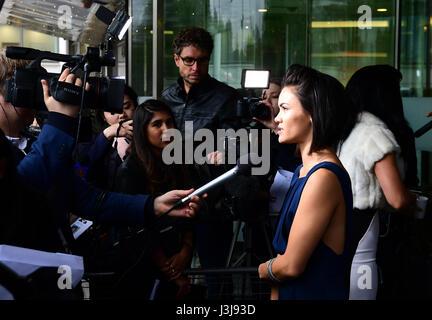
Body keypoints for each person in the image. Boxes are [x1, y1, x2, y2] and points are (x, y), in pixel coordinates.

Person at [258, 64, 353, 300]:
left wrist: (263, 269)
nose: (277, 118)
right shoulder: (304, 170)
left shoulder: (323, 177)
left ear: (312, 115)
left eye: (284, 108)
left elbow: (291, 266)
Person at [161, 26, 241, 299]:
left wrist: (224, 150)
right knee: (171, 275)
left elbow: (237, 144)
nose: (196, 67)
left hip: (212, 200)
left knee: (216, 277)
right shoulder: (166, 97)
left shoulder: (226, 97)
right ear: (176, 59)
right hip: (172, 197)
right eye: (189, 60)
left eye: (202, 60)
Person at [338, 65, 419, 300]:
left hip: (347, 226)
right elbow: (397, 199)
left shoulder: (349, 130)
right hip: (371, 231)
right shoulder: (375, 134)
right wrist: (417, 204)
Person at [114, 99, 205, 300]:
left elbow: (190, 214)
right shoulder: (130, 171)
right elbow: (135, 228)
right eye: (157, 124)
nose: (167, 129)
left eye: (169, 122)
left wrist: (185, 250)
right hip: (142, 268)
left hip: (179, 256)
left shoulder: (180, 163)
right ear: (142, 130)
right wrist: (170, 270)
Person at [74, 84, 137, 190]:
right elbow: (80, 172)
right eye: (112, 111)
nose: (121, 115)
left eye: (126, 107)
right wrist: (106, 135)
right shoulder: (88, 136)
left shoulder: (146, 132)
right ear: (103, 116)